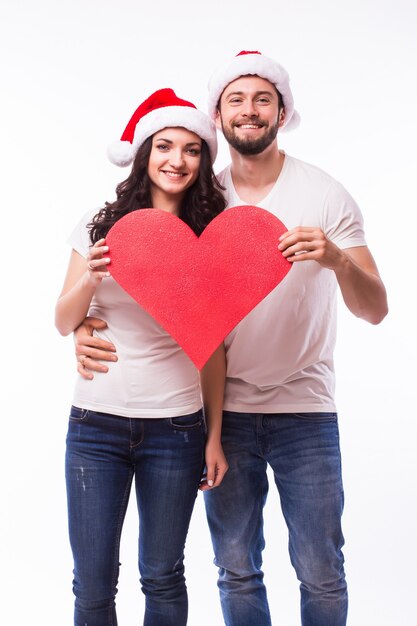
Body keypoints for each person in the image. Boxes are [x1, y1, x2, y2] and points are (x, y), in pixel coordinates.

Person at [72, 52, 388, 626]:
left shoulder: (325, 194)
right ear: (216, 117)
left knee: (320, 565)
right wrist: (82, 325)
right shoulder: (200, 198)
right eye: (236, 100)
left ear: (283, 111)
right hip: (223, 410)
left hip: (305, 408)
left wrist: (338, 259)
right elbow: (150, 298)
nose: (250, 110)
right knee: (236, 566)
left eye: (263, 98)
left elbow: (377, 310)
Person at [55, 87, 228, 626]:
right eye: (164, 146)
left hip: (175, 429)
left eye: (192, 150)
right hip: (95, 427)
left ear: (203, 161)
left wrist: (214, 434)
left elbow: (214, 348)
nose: (177, 160)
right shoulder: (99, 223)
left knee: (162, 574)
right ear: (144, 154)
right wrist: (93, 277)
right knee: (93, 581)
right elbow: (64, 321)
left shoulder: (211, 234)